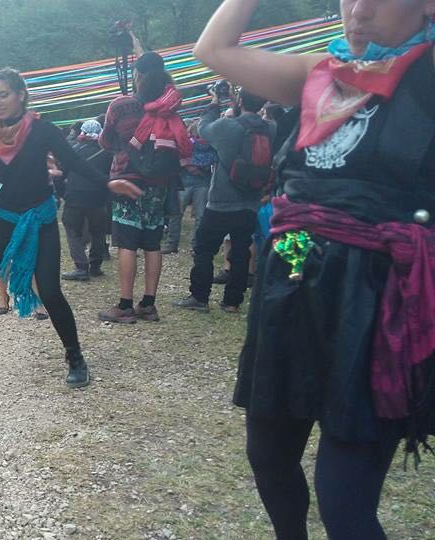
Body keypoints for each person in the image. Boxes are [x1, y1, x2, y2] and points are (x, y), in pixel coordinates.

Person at [196, 0, 435, 538]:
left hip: (378, 292)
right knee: (268, 456)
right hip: (294, 266)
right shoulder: (320, 71)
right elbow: (213, 49)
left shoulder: (428, 72)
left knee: (343, 499)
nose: (359, 9)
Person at [0, 67, 142, 388]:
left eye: (3, 95)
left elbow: (73, 162)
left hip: (39, 220)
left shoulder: (42, 130)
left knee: (50, 291)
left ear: (21, 95)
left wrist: (108, 183)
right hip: (0, 219)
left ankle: (75, 358)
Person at [97, 51, 191, 324]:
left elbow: (105, 141)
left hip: (127, 180)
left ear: (137, 75)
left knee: (127, 242)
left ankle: (125, 304)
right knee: (152, 242)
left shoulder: (121, 105)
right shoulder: (170, 105)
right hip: (159, 183)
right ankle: (148, 304)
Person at [175, 88, 273, 313]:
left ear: (240, 100)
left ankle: (199, 297)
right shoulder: (270, 129)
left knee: (204, 248)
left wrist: (214, 102)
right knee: (241, 251)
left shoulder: (228, 127)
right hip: (252, 200)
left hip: (221, 200)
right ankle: (232, 302)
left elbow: (203, 127)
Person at [60, 119, 113, 281]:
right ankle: (95, 266)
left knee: (72, 231)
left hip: (75, 196)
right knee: (98, 232)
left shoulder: (74, 150)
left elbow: (62, 173)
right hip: (98, 198)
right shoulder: (107, 153)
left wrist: (63, 193)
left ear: (82, 133)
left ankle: (81, 267)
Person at [162, 121, 214, 254]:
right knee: (190, 215)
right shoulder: (208, 145)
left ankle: (179, 244)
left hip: (193, 182)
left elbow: (179, 158)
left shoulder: (206, 145)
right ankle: (181, 244)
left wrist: (188, 165)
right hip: (193, 182)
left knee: (183, 214)